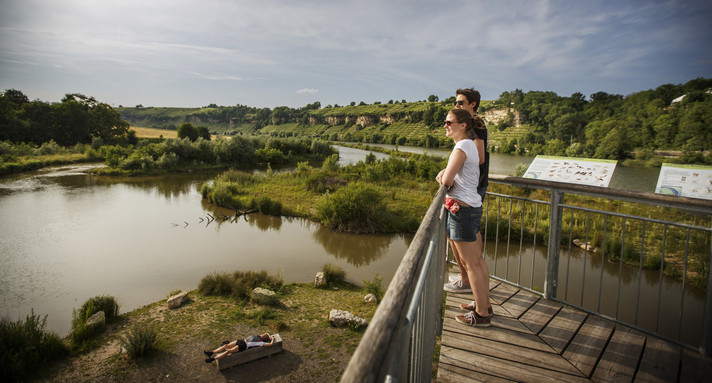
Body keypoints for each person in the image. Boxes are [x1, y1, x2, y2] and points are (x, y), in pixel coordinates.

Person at [436, 108, 492, 327]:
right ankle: (484, 305)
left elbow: (447, 179)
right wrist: (446, 172)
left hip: (463, 211)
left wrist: (442, 175)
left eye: (449, 122)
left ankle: (481, 315)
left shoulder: (461, 147)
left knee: (472, 265)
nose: (445, 126)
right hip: (471, 208)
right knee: (477, 262)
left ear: (462, 125)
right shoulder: (469, 145)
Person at [443, 88, 490, 299]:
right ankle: (478, 300)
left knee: (473, 260)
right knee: (474, 258)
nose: (457, 105)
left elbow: (478, 159)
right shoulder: (468, 136)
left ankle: (468, 286)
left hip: (468, 195)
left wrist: (449, 171)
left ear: (472, 105)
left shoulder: (471, 134)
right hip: (470, 194)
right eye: (456, 102)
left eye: (460, 103)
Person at [203, 333, 275, 363]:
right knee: (225, 346)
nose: (263, 333)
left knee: (228, 351)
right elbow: (267, 333)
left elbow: (270, 344)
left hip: (243, 346)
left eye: (264, 335)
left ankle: (212, 359)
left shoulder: (260, 342)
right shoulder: (258, 336)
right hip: (240, 341)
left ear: (264, 338)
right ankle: (211, 353)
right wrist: (268, 335)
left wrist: (272, 339)